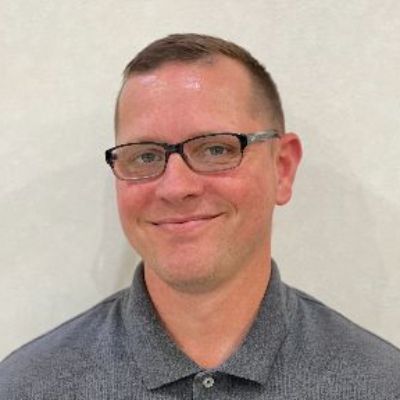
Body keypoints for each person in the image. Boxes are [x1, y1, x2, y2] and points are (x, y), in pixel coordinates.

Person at [1, 33, 399, 399]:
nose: (176, 188)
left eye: (216, 149)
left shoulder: (381, 384)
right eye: (145, 156)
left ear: (282, 168)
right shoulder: (27, 387)